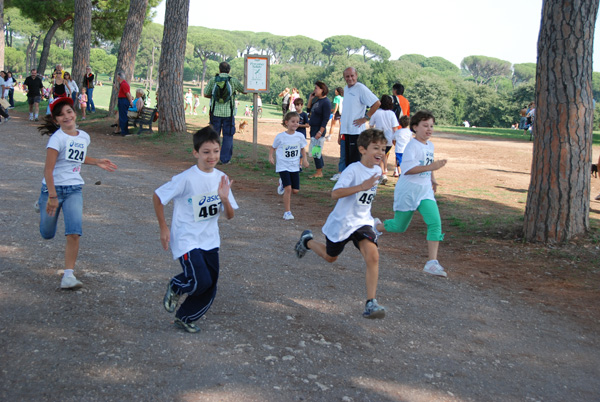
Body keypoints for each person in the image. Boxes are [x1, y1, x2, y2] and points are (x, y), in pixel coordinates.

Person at [295, 129, 388, 319]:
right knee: (331, 257)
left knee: (373, 256)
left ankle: (371, 302)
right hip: (342, 222)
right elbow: (335, 193)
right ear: (362, 149)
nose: (380, 152)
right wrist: (361, 186)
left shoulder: (378, 170)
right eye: (375, 148)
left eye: (383, 148)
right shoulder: (353, 170)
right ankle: (307, 242)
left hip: (362, 222)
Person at [153, 126, 238, 333]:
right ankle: (176, 285)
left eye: (216, 151)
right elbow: (158, 196)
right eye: (206, 152)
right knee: (199, 280)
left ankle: (185, 317)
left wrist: (225, 199)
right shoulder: (186, 178)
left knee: (210, 285)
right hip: (186, 238)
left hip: (210, 240)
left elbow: (229, 215)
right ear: (196, 153)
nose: (212, 157)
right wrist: (163, 227)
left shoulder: (222, 178)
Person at [37, 97, 118, 289]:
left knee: (74, 232)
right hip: (53, 190)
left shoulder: (84, 137)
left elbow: (76, 157)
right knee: (47, 233)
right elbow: (48, 170)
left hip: (74, 189)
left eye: (69, 111)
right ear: (56, 120)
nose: (66, 116)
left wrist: (96, 161)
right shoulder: (56, 139)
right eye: (61, 114)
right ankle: (41, 202)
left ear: (74, 113)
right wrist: (52, 196)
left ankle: (68, 276)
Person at [374, 110, 448, 277]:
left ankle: (432, 263)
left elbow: (428, 165)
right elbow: (407, 170)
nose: (429, 129)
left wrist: (433, 178)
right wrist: (432, 168)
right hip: (408, 192)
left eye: (431, 126)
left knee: (435, 223)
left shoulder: (430, 145)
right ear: (415, 127)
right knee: (399, 227)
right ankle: (376, 227)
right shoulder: (412, 146)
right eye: (425, 126)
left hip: (425, 192)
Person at [269, 111, 309, 220]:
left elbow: (303, 149)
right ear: (286, 122)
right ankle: (287, 212)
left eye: (297, 122)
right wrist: (271, 157)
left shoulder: (300, 136)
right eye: (293, 121)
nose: (295, 124)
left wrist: (304, 160)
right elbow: (273, 147)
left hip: (294, 166)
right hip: (283, 165)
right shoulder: (281, 136)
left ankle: (281, 183)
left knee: (295, 190)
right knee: (288, 189)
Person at [203, 61, 245, 164]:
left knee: (213, 136)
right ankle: (225, 159)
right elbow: (245, 91)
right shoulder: (233, 81)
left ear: (219, 69)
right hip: (229, 114)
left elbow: (206, 93)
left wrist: (215, 98)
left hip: (215, 113)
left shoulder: (213, 80)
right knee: (228, 136)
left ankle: (212, 158)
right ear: (229, 70)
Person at [340, 67, 381, 167]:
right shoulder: (346, 89)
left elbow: (376, 103)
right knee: (348, 161)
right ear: (344, 77)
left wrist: (366, 118)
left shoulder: (360, 88)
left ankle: (359, 181)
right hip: (347, 131)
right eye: (347, 76)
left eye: (352, 76)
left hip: (356, 132)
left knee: (356, 162)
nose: (350, 78)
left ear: (356, 75)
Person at [368, 94, 399, 184]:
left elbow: (371, 125)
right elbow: (395, 128)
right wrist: (396, 138)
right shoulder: (392, 114)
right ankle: (383, 172)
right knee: (384, 156)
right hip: (389, 139)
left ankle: (383, 174)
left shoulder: (377, 112)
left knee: (380, 156)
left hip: (378, 138)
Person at [306, 81, 332, 179]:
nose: (314, 90)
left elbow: (325, 119)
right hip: (313, 129)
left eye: (316, 88)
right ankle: (319, 170)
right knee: (314, 150)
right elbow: (309, 111)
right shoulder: (317, 100)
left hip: (318, 130)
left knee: (316, 151)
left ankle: (319, 172)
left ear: (322, 90)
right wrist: (310, 99)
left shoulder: (326, 102)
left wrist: (320, 132)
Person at [116, 71, 134, 136]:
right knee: (122, 116)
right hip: (121, 100)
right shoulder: (122, 84)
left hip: (123, 100)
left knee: (123, 116)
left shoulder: (124, 84)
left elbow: (127, 94)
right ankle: (123, 130)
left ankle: (124, 131)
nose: (117, 78)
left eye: (117, 77)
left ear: (119, 77)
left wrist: (130, 102)